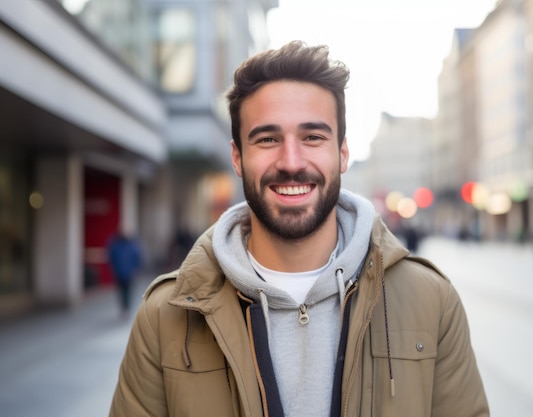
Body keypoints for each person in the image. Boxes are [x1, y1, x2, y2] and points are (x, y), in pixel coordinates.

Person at [109, 41, 489, 417]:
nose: (291, 162)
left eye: (313, 137)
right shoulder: (165, 314)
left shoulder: (431, 301)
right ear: (237, 157)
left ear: (342, 153)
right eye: (268, 139)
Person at [107, 230, 142, 317]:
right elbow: (112, 258)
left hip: (129, 273)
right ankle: (124, 308)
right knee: (122, 291)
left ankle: (126, 308)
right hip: (120, 273)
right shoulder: (116, 245)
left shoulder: (131, 245)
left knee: (128, 291)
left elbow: (137, 258)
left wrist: (136, 269)